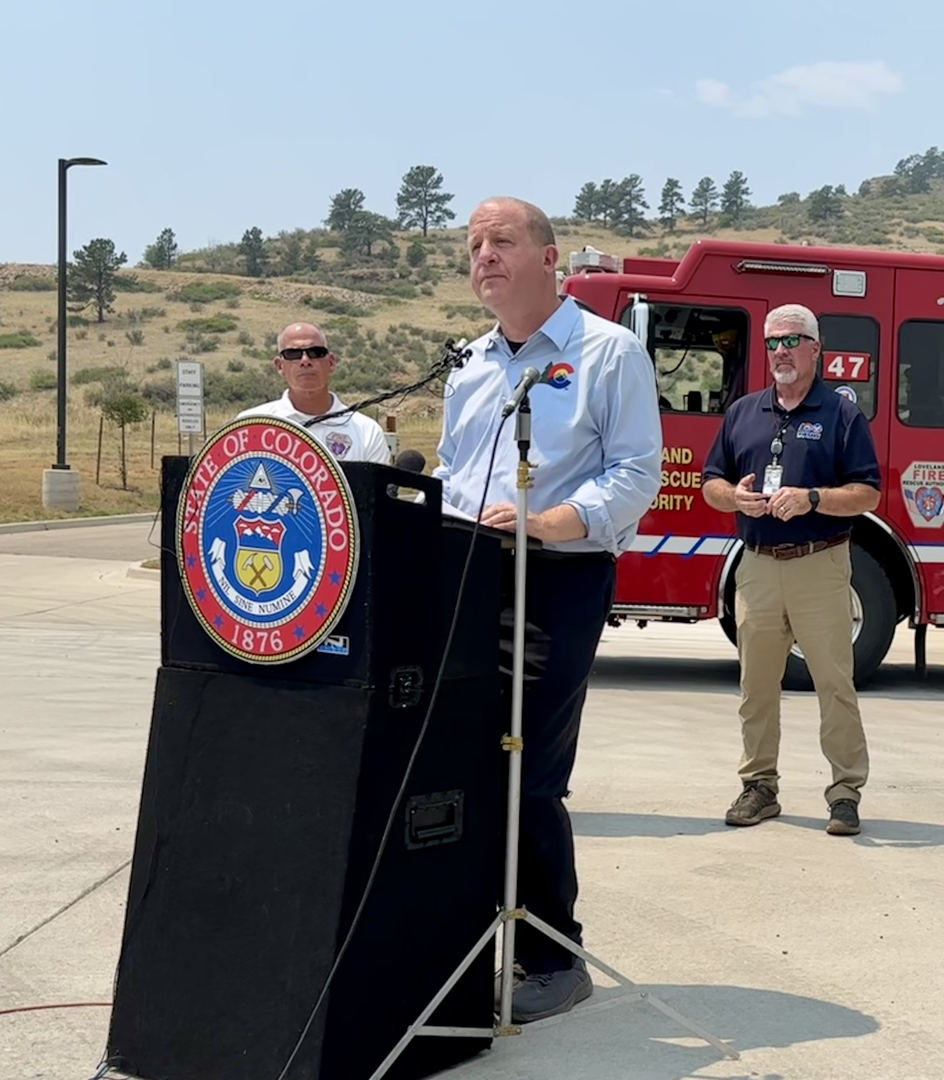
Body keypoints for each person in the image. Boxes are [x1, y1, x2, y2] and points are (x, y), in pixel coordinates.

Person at [432, 197, 661, 1022]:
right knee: (458, 765)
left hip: (557, 578)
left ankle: (553, 955)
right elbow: (457, 472)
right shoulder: (470, 364)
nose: (483, 256)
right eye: (474, 245)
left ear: (550, 257)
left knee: (524, 771)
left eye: (501, 242)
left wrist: (552, 521)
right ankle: (456, 946)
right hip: (465, 577)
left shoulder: (609, 352)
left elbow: (638, 472)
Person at [700, 303, 882, 836]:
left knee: (834, 683)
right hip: (756, 565)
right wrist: (734, 496)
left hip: (819, 565)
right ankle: (759, 786)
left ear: (815, 349)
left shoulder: (842, 415)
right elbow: (712, 483)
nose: (780, 351)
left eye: (791, 341)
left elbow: (867, 493)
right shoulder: (743, 413)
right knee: (756, 685)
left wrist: (813, 498)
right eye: (773, 342)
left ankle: (845, 792)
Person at [237, 323, 391, 463]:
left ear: (331, 362)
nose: (305, 360)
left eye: (315, 352)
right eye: (293, 354)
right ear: (279, 366)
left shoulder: (366, 432)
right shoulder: (250, 426)